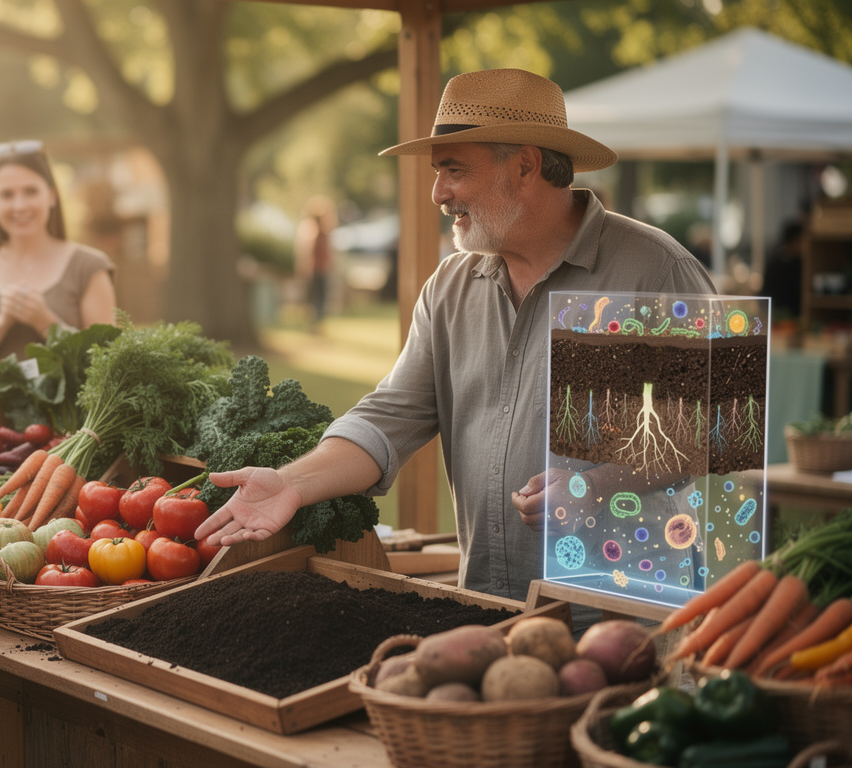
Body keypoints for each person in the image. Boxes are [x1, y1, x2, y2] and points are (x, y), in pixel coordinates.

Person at [196, 69, 717, 611]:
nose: (437, 193)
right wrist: (290, 484)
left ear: (525, 166)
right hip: (488, 611)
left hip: (626, 617)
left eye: (454, 170)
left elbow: (712, 432)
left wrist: (598, 484)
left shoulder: (657, 269)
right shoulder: (449, 287)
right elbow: (386, 419)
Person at [0, 139, 117, 432]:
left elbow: (110, 368)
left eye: (30, 191)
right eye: (7, 194)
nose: (19, 205)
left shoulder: (89, 266)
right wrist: (1, 323)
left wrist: (47, 323)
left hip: (66, 446)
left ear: (52, 195)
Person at [294, 195, 337, 330]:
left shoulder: (324, 233)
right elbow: (308, 253)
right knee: (315, 299)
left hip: (321, 270)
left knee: (320, 299)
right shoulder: (312, 232)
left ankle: (317, 324)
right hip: (315, 270)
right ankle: (314, 324)